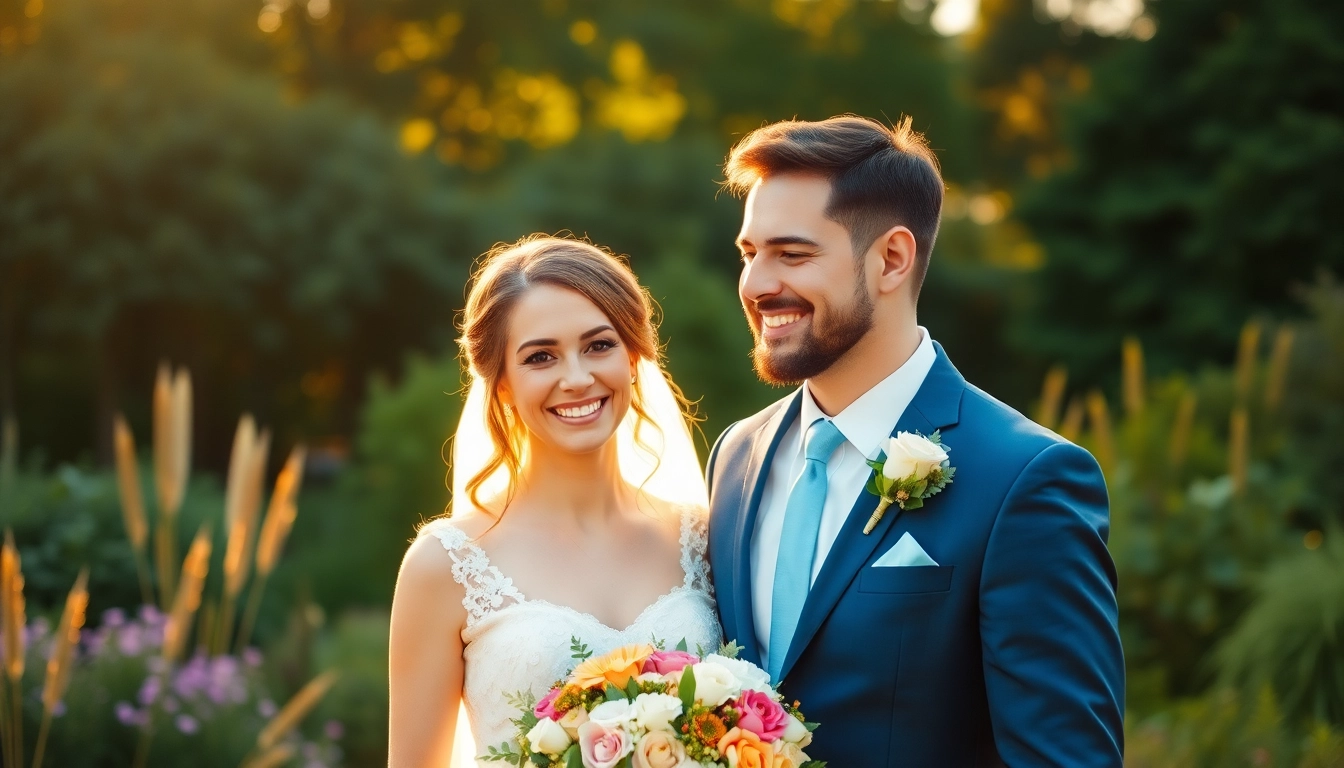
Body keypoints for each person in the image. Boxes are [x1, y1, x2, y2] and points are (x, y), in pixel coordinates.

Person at [706, 115, 1125, 766]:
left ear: (892, 260)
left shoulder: (1025, 478)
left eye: (792, 254)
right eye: (749, 253)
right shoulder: (737, 454)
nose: (757, 284)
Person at [388, 236, 721, 767]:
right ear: (501, 385)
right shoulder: (445, 565)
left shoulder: (703, 539)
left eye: (599, 346)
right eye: (540, 357)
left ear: (634, 358)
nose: (577, 378)